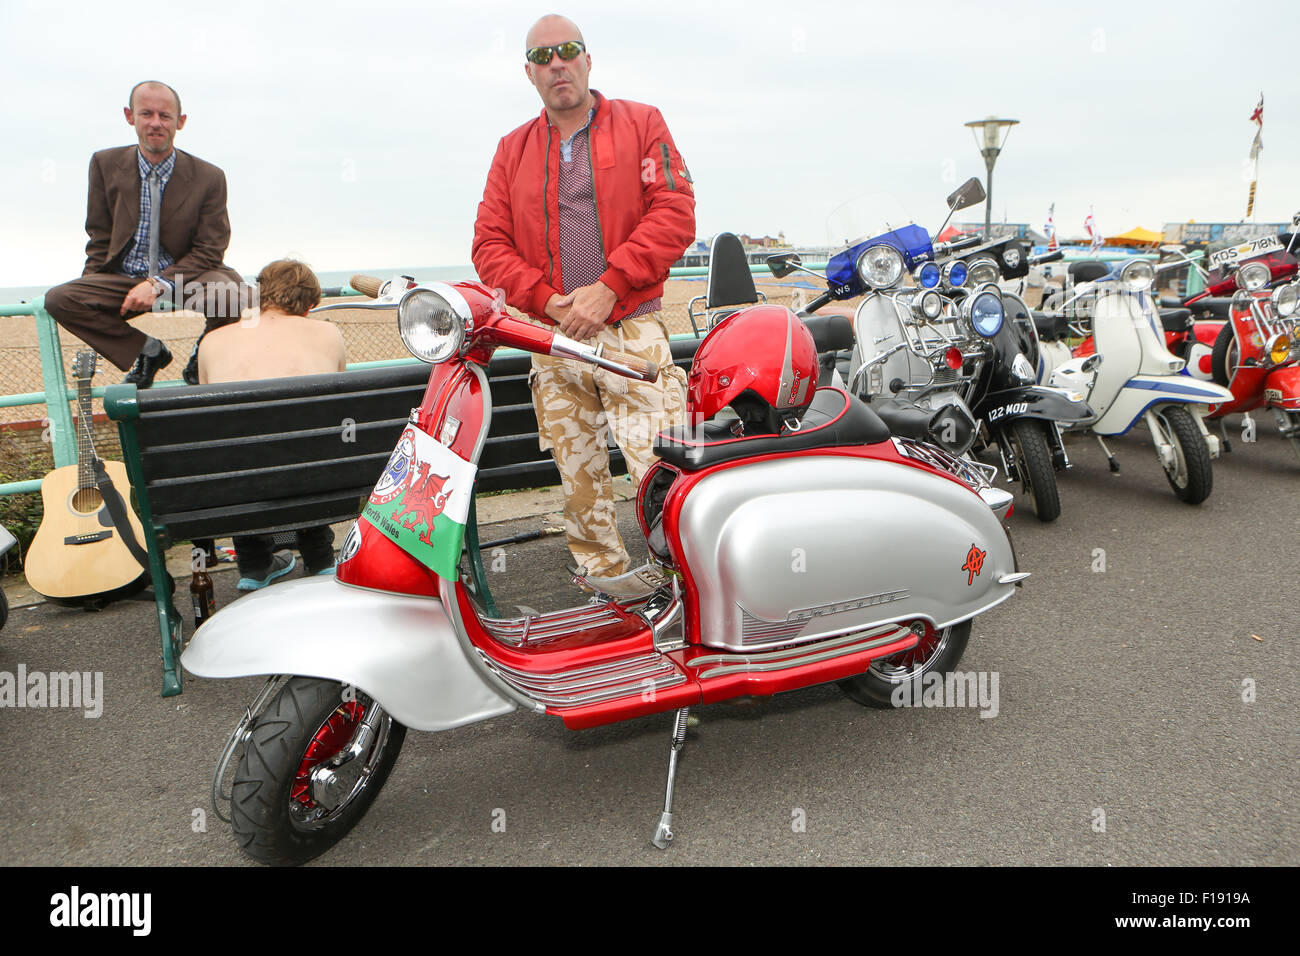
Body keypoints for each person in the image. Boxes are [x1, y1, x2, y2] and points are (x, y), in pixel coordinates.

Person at [472, 14, 695, 584]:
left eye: (567, 50)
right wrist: (547, 302)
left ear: (588, 60)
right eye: (542, 57)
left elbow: (674, 212)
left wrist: (609, 286)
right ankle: (605, 586)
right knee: (579, 479)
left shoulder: (643, 124)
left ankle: (682, 584)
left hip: (633, 330)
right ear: (529, 72)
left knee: (662, 469)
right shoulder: (512, 149)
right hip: (553, 341)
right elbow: (488, 244)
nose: (556, 64)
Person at [43, 81, 249, 389]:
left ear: (180, 122)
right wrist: (92, 289)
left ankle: (202, 355)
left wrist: (157, 284)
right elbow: (99, 235)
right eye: (146, 114)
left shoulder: (210, 177)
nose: (155, 123)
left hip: (186, 275)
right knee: (59, 299)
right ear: (130, 116)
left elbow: (210, 249)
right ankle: (148, 351)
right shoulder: (104, 164)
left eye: (165, 116)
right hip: (125, 276)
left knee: (232, 295)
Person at [199, 259, 346, 590]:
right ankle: (320, 558)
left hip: (236, 483)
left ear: (259, 296)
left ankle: (255, 565)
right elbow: (336, 408)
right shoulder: (328, 334)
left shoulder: (213, 341)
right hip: (317, 476)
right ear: (311, 304)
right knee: (312, 442)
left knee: (238, 448)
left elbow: (211, 422)